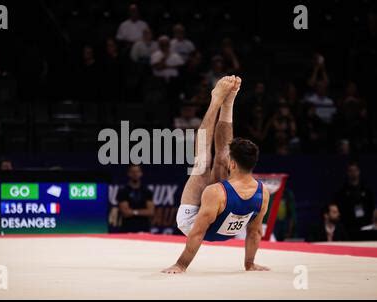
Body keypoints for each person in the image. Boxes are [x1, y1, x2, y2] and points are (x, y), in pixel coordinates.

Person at [162, 76, 271, 274]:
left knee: (202, 163)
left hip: (194, 224)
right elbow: (255, 232)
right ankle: (229, 103)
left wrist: (181, 265)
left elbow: (197, 232)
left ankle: (215, 101)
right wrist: (250, 263)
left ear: (234, 164)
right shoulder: (264, 192)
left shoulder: (214, 192)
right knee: (221, 156)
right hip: (226, 231)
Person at [334, 161, 375, 237]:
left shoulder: (366, 190)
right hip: (349, 225)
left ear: (359, 172)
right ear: (347, 173)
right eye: (351, 171)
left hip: (365, 223)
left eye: (355, 170)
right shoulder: (342, 191)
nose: (353, 173)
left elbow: (372, 206)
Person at [116, 165, 155, 233]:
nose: (135, 174)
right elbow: (125, 212)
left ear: (141, 173)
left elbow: (150, 212)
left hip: (144, 229)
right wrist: (142, 212)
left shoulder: (147, 191)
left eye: (137, 171)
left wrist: (133, 212)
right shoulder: (123, 191)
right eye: (133, 172)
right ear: (129, 173)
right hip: (127, 229)